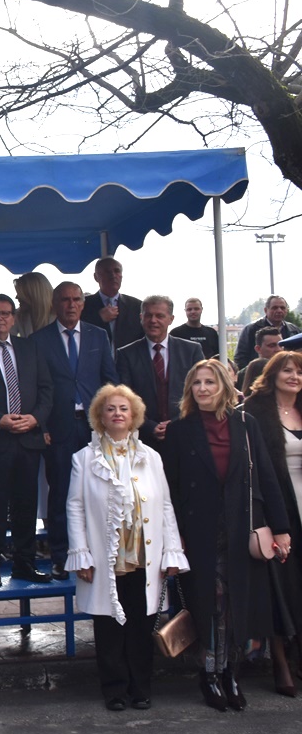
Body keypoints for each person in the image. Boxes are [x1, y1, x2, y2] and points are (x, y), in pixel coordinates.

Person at [162, 360, 291, 712]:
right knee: (211, 605)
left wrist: (281, 529)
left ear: (223, 386)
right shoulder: (179, 430)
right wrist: (174, 536)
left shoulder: (246, 424)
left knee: (237, 605)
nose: (203, 389)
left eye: (210, 382)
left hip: (241, 527)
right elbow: (171, 489)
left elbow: (266, 477)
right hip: (200, 532)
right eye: (197, 383)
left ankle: (231, 672)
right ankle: (209, 674)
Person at [66, 384, 189, 711]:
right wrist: (81, 554)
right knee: (108, 625)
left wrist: (172, 551)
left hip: (144, 556)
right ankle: (114, 690)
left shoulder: (151, 457)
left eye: (123, 408)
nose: (117, 413)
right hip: (104, 557)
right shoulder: (84, 459)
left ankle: (141, 688)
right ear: (100, 416)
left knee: (141, 624)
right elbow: (74, 507)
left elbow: (165, 506)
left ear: (134, 415)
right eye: (110, 409)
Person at [31, 282, 119, 579]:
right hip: (58, 427)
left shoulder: (98, 335)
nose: (71, 305)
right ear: (54, 304)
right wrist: (42, 425)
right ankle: (61, 555)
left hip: (95, 427)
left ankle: (98, 553)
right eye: (65, 300)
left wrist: (113, 422)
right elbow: (35, 387)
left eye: (76, 299)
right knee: (61, 492)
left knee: (99, 489)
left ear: (83, 303)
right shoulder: (39, 339)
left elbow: (110, 380)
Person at [0, 295, 54, 586]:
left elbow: (46, 389)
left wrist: (35, 418)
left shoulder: (28, 347)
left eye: (5, 313)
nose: (0, 318)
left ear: (13, 318)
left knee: (26, 505)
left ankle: (25, 563)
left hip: (28, 438)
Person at [239, 351, 302, 696]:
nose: (294, 376)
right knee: (280, 588)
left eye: (299, 372)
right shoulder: (255, 414)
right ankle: (280, 663)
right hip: (279, 511)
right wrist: (276, 523)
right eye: (287, 370)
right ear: (273, 374)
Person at [116, 296, 205, 450]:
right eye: (148, 315)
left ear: (171, 319)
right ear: (141, 318)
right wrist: (149, 426)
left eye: (160, 316)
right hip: (143, 440)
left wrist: (176, 424)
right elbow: (125, 396)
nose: (153, 320)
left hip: (185, 436)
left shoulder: (191, 351)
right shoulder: (126, 354)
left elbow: (200, 392)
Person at [81, 258, 142, 353]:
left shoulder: (136, 306)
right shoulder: (83, 305)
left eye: (117, 271)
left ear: (121, 275)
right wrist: (98, 318)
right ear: (96, 277)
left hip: (127, 361)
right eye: (107, 271)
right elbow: (74, 330)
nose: (113, 275)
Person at [235, 295, 299, 371]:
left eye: (282, 308)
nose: (279, 310)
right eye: (274, 308)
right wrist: (250, 373)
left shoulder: (294, 330)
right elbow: (241, 357)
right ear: (266, 310)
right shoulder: (251, 329)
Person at [238, 327, 282, 394]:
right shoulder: (242, 375)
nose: (279, 349)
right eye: (272, 345)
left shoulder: (290, 371)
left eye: (281, 345)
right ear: (258, 349)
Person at [13, 272, 54, 338]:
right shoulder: (18, 316)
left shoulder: (60, 317)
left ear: (33, 295)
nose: (17, 297)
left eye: (21, 294)